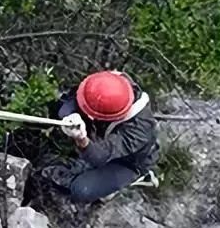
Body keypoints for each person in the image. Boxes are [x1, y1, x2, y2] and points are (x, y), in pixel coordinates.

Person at [42, 70, 159, 203]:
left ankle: (137, 178)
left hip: (128, 162)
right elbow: (74, 98)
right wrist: (65, 114)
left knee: (81, 190)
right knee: (65, 110)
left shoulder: (140, 129)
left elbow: (101, 156)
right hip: (102, 135)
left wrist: (81, 139)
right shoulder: (107, 82)